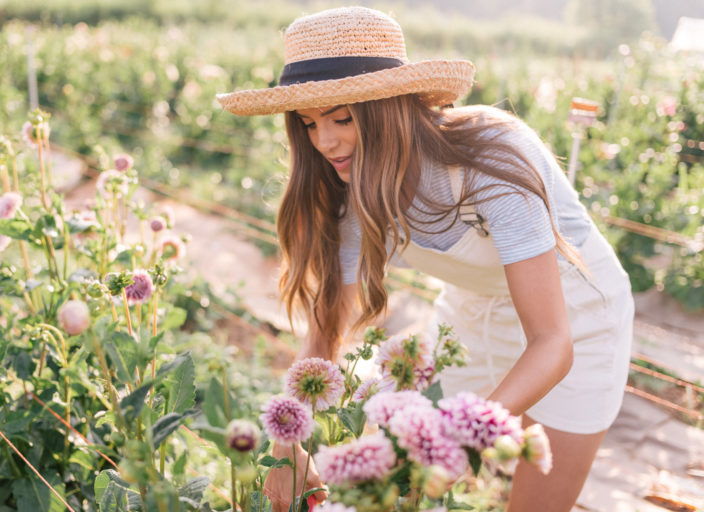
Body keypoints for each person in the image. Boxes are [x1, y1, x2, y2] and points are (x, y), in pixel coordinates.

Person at [217, 6, 634, 512]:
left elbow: (552, 341)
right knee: (403, 485)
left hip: (576, 322)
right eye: (308, 123)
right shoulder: (350, 186)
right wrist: (287, 446)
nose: (324, 141)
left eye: (342, 118)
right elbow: (326, 331)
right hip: (469, 316)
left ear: (387, 106)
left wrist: (457, 440)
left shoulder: (492, 158)